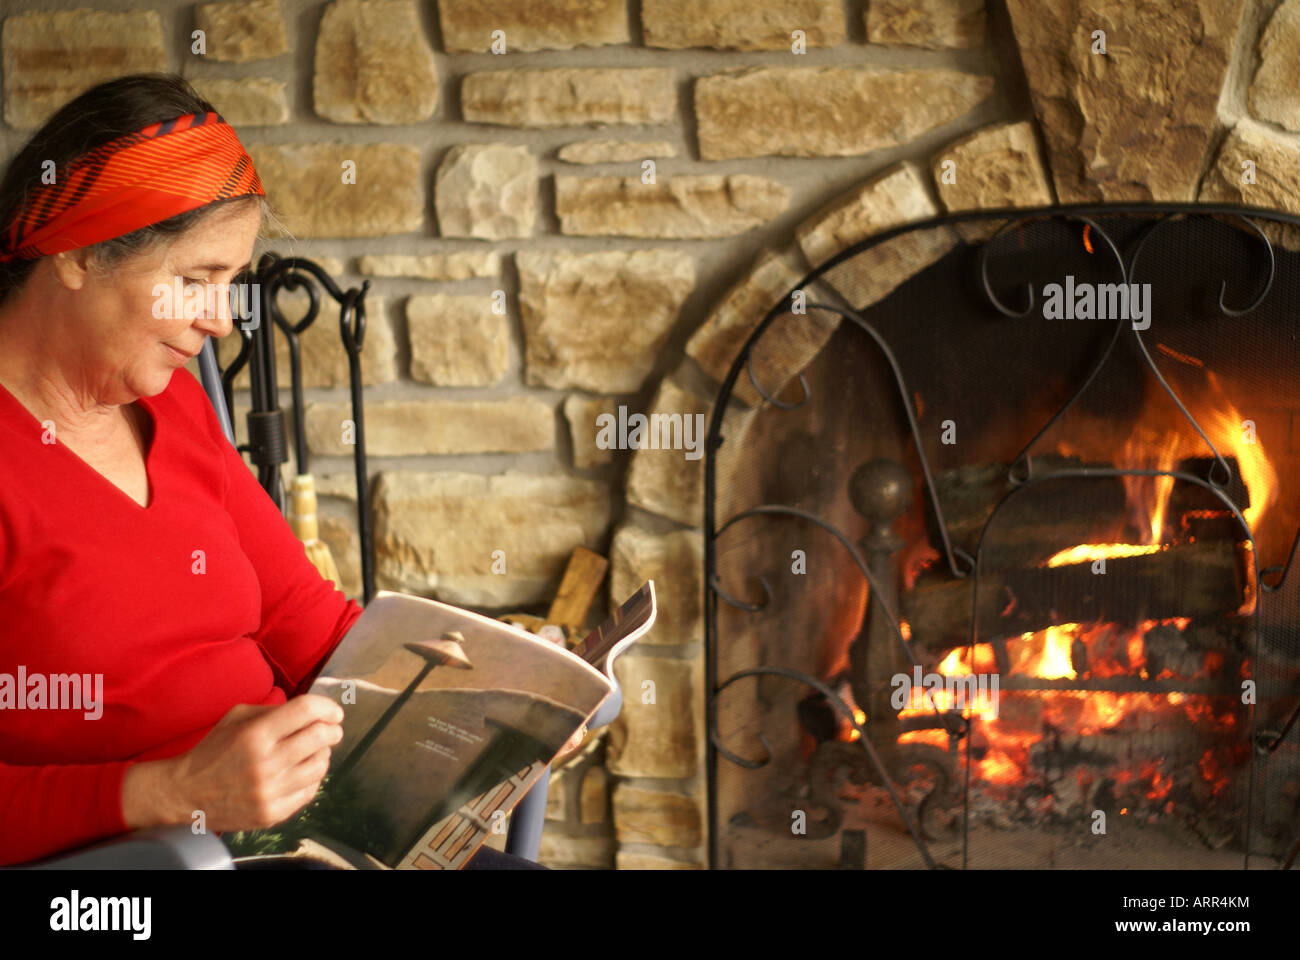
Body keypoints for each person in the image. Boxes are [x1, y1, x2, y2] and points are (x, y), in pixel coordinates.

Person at [0, 73, 554, 870]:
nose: (222, 321)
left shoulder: (179, 411)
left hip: (311, 839)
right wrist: (171, 791)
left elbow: (309, 623)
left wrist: (488, 704)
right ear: (80, 252)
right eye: (195, 281)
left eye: (229, 284)